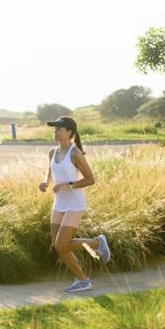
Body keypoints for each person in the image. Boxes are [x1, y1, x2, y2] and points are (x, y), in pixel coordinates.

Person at [38, 116, 111, 292]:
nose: (55, 132)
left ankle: (97, 243)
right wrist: (46, 182)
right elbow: (51, 170)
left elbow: (90, 179)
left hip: (74, 203)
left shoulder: (75, 153)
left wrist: (68, 185)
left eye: (59, 129)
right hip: (59, 203)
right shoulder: (52, 152)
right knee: (58, 246)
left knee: (62, 244)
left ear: (69, 132)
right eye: (55, 129)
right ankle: (83, 280)